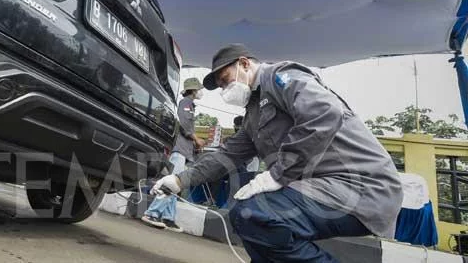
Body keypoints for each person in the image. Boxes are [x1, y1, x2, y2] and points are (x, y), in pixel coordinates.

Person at [152, 44, 403, 262]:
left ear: (244, 63)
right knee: (247, 217)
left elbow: (325, 113)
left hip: (361, 186)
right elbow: (225, 156)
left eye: (225, 79)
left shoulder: (280, 77)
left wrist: (276, 175)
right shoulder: (253, 114)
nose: (224, 88)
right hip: (325, 186)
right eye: (219, 86)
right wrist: (179, 180)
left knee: (254, 215)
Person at [141, 77, 206, 232]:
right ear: (194, 90)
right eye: (199, 89)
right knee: (172, 184)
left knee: (177, 186)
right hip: (180, 150)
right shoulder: (186, 103)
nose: (201, 92)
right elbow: (183, 124)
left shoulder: (189, 104)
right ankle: (152, 213)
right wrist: (196, 138)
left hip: (185, 151)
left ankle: (169, 217)